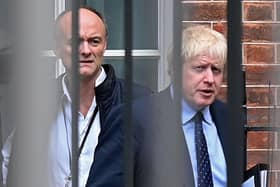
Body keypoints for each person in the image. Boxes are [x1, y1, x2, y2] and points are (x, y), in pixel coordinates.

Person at [1, 6, 150, 187]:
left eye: (94, 41)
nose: (85, 50)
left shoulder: (138, 102)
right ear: (57, 48)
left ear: (105, 45)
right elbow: (10, 163)